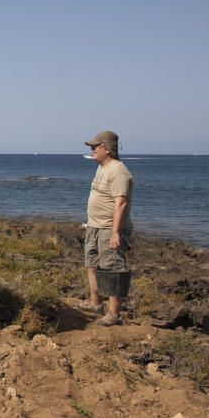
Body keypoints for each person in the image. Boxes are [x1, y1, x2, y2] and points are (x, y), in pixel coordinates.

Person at [81, 130, 134, 327]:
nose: (92, 150)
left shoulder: (119, 171)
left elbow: (121, 203)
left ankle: (114, 314)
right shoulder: (103, 168)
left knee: (113, 268)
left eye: (96, 146)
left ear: (107, 149)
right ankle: (96, 304)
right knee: (92, 264)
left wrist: (115, 232)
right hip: (94, 226)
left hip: (109, 228)